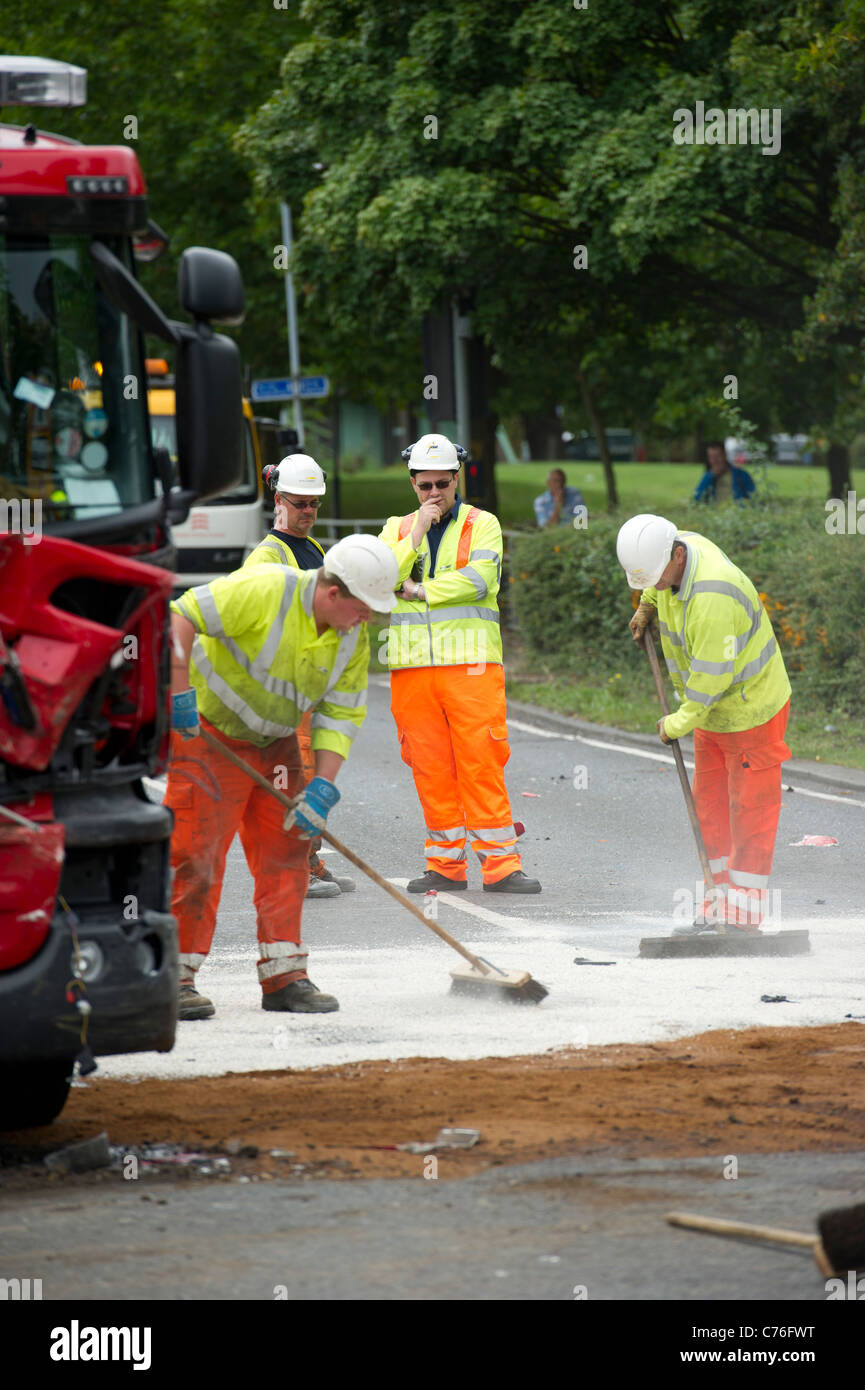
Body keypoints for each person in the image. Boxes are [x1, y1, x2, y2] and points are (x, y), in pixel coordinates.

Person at [167, 533, 399, 1019]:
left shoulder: (350, 634)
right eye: (364, 608)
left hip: (274, 744)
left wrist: (323, 786)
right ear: (333, 593)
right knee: (195, 855)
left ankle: (284, 976)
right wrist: (177, 691)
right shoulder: (264, 589)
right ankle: (174, 979)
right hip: (207, 737)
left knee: (287, 853)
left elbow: (341, 714)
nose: (369, 619)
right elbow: (179, 616)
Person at [378, 432, 541, 894]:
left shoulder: (482, 523)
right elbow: (380, 575)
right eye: (425, 485)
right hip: (410, 670)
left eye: (442, 485)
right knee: (430, 769)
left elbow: (479, 578)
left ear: (458, 478)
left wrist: (420, 590)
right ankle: (445, 867)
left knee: (481, 763)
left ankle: (502, 866)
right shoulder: (396, 528)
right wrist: (417, 533)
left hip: (471, 667)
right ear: (413, 484)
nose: (434, 494)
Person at [619, 514, 791, 934]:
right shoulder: (674, 552)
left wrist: (675, 724)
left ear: (677, 556)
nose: (656, 586)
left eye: (657, 580)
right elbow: (656, 587)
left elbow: (711, 679)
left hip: (750, 710)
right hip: (709, 712)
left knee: (748, 808)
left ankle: (745, 910)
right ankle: (718, 896)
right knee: (709, 805)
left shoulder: (713, 594)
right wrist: (647, 605)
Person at [243, 453, 354, 899]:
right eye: (299, 503)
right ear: (278, 499)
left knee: (313, 778)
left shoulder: (315, 550)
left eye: (314, 504)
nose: (308, 511)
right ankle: (290, 869)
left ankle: (310, 860)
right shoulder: (269, 554)